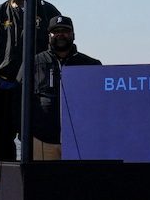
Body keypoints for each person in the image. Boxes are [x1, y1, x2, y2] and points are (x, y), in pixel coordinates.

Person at [0, 0, 60, 165]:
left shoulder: (47, 11)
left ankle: (33, 183)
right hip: (4, 86)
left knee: (34, 138)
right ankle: (3, 186)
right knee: (1, 139)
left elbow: (59, 45)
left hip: (36, 89)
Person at [29, 16, 101, 161]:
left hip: (82, 141)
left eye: (65, 31)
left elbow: (101, 103)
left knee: (80, 183)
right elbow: (18, 99)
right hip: (43, 140)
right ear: (48, 36)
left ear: (73, 35)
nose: (60, 35)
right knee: (45, 182)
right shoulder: (33, 63)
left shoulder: (91, 65)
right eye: (55, 31)